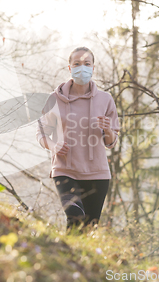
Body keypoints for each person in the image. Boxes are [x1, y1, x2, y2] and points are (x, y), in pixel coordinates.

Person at [36, 47, 120, 233]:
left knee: (89, 228)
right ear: (69, 68)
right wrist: (54, 146)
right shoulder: (54, 99)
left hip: (97, 173)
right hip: (64, 170)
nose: (82, 68)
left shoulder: (105, 99)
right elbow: (41, 134)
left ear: (93, 67)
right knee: (75, 218)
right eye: (77, 64)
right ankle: (63, 258)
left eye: (86, 64)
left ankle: (74, 259)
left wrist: (107, 129)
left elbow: (111, 142)